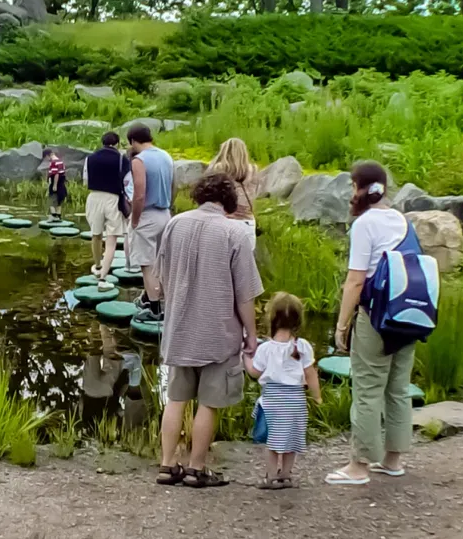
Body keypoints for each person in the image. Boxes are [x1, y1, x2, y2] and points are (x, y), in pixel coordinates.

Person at [154, 172, 263, 488]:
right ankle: (196, 468)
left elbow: (160, 279)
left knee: (176, 400)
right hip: (218, 334)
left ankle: (166, 465)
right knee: (209, 403)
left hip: (179, 330)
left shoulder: (175, 224)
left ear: (199, 195)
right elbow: (245, 294)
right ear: (228, 202)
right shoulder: (235, 232)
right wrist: (251, 336)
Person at [329, 161, 416, 487]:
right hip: (407, 316)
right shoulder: (400, 219)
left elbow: (355, 280)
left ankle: (359, 465)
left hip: (376, 317)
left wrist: (342, 325)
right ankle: (393, 460)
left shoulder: (365, 224)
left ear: (361, 189)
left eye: (353, 186)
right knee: (398, 388)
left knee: (366, 390)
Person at [245, 292, 321, 490]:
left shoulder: (265, 349)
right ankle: (286, 475)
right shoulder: (303, 346)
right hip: (295, 400)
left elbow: (254, 372)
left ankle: (271, 477)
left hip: (273, 400)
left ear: (272, 318)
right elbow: (310, 374)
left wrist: (245, 358)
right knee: (291, 439)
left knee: (272, 442)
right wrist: (317, 397)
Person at [125, 123, 175, 321]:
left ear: (133, 141)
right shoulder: (166, 156)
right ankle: (149, 297)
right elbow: (173, 186)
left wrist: (135, 219)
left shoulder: (139, 160)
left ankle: (154, 309)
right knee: (161, 262)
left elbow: (139, 193)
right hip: (165, 213)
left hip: (147, 214)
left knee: (146, 264)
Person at [82, 131, 130, 277]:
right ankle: (104, 274)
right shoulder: (122, 159)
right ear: (117, 143)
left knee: (96, 234)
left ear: (102, 142)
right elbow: (127, 182)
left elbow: (85, 180)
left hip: (94, 197)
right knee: (112, 237)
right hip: (113, 198)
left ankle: (97, 266)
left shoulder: (90, 158)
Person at [207, 136, 260, 245]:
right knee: (244, 260)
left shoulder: (218, 168)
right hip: (247, 223)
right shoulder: (254, 170)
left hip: (225, 221)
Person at [43, 148, 68, 220]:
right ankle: (58, 215)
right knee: (59, 200)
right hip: (61, 183)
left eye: (46, 157)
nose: (47, 159)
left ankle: (53, 216)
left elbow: (56, 174)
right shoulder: (60, 161)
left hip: (55, 182)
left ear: (48, 155)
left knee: (51, 200)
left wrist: (54, 185)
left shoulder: (53, 162)